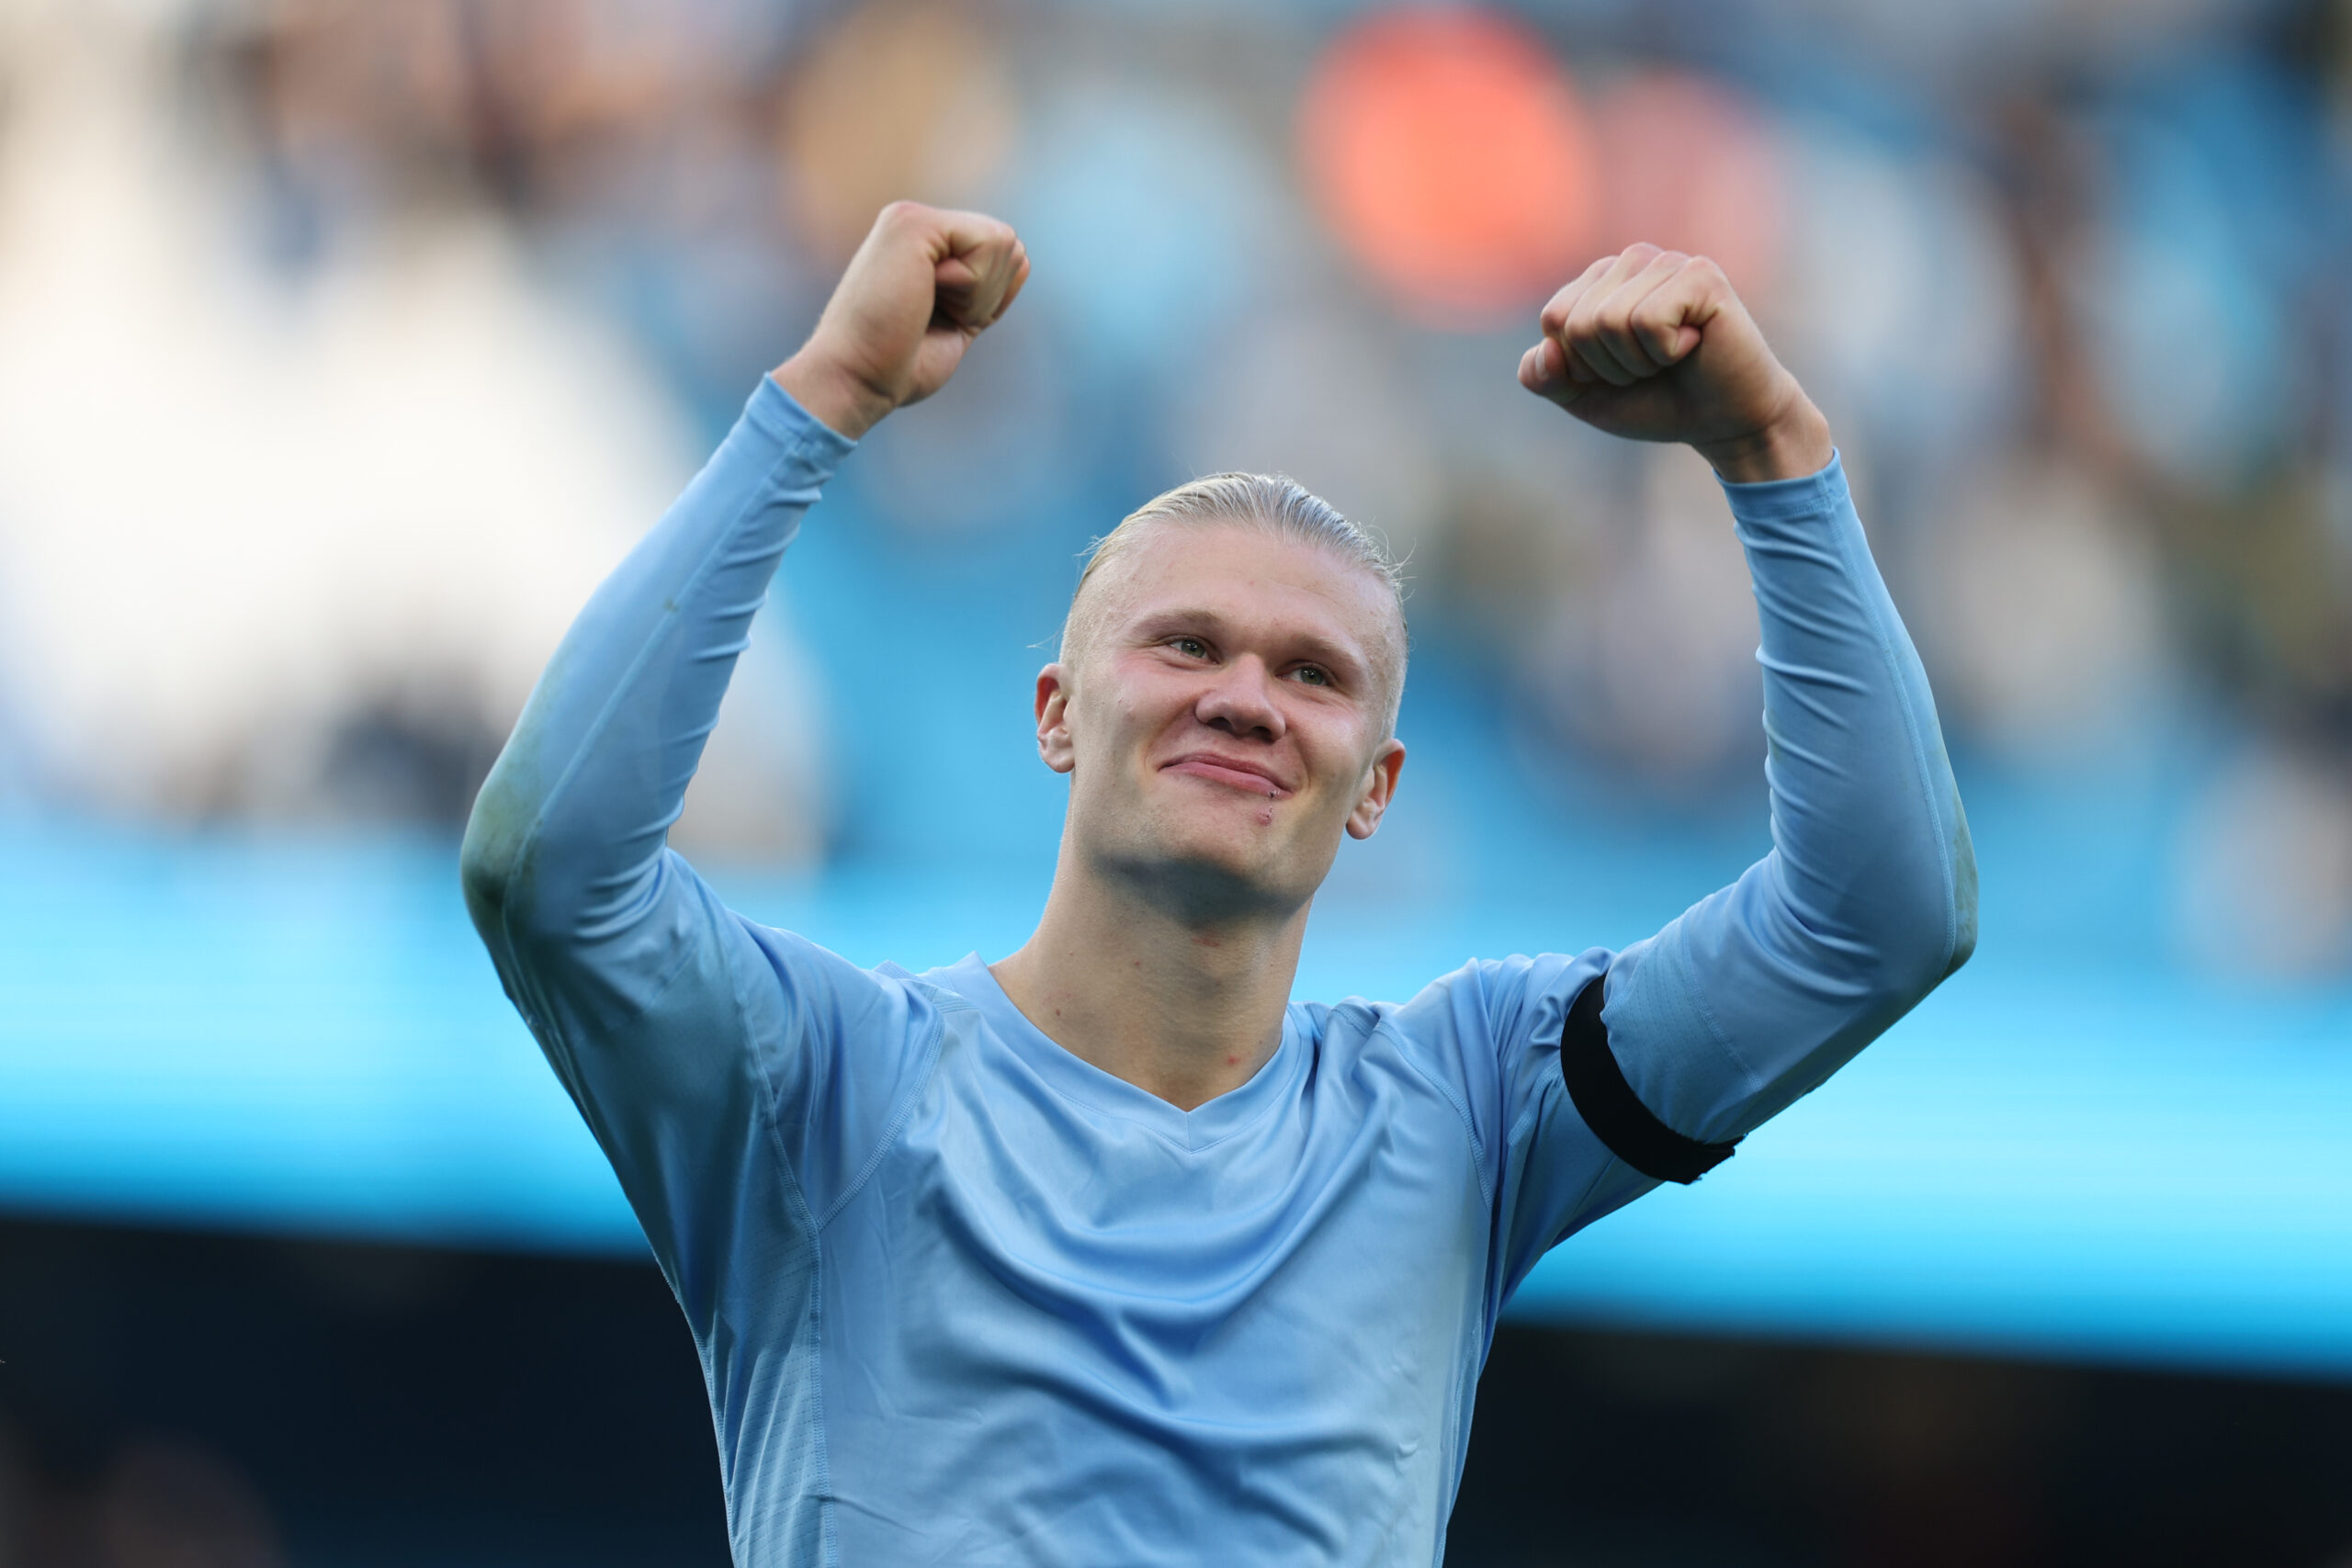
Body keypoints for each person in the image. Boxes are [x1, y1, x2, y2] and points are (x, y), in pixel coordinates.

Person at [462, 200, 1975, 1565]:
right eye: (1186, 645)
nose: (1246, 698)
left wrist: (1771, 447)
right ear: (1057, 713)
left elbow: (1877, 922)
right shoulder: (827, 1087)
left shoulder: (1470, 1111)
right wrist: (819, 404)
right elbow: (549, 869)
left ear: (1376, 788)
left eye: (1314, 674)